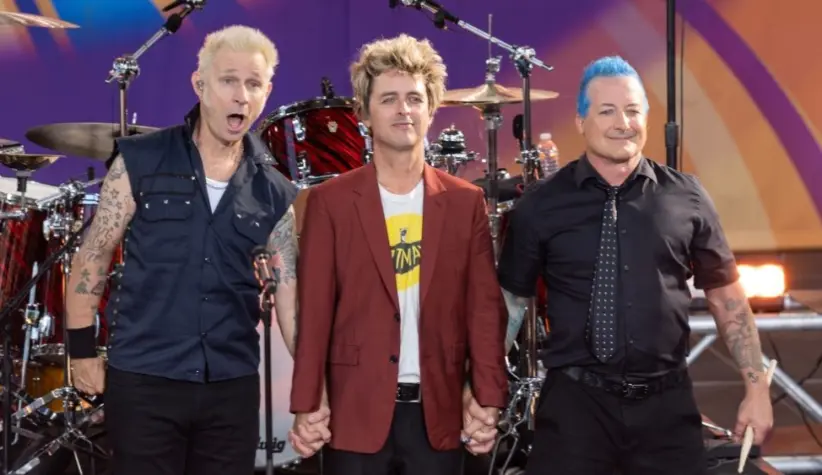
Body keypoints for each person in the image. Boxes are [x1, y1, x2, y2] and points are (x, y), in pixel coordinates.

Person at [497, 56, 774, 475]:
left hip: (667, 409)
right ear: (581, 121)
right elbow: (511, 306)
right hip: (574, 410)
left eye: (632, 110)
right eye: (607, 111)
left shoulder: (687, 196)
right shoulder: (541, 204)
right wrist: (482, 394)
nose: (622, 123)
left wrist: (757, 389)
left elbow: (726, 296)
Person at [64, 25, 299, 475]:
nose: (241, 96)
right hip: (145, 380)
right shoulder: (140, 160)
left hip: (230, 388)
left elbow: (289, 300)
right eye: (228, 80)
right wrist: (81, 352)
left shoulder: (275, 191)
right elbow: (93, 255)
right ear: (200, 84)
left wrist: (312, 389)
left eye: (253, 84)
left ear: (267, 92)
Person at [287, 33, 509, 474]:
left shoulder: (465, 202)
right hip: (354, 414)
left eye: (414, 98)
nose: (403, 110)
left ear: (431, 108)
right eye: (388, 99)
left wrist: (487, 398)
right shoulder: (330, 202)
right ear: (364, 113)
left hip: (439, 414)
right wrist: (308, 402)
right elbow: (314, 313)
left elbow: (484, 310)